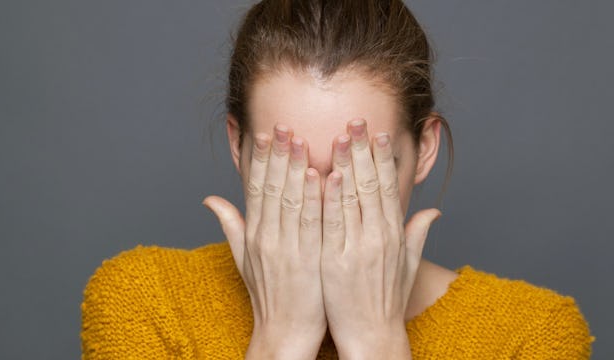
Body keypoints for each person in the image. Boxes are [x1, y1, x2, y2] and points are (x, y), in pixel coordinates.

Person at [80, 1, 595, 358]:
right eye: (289, 172)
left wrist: (376, 344)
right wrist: (281, 341)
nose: (322, 210)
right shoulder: (144, 302)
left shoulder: (531, 335)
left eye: (360, 175)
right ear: (238, 148)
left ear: (425, 151)